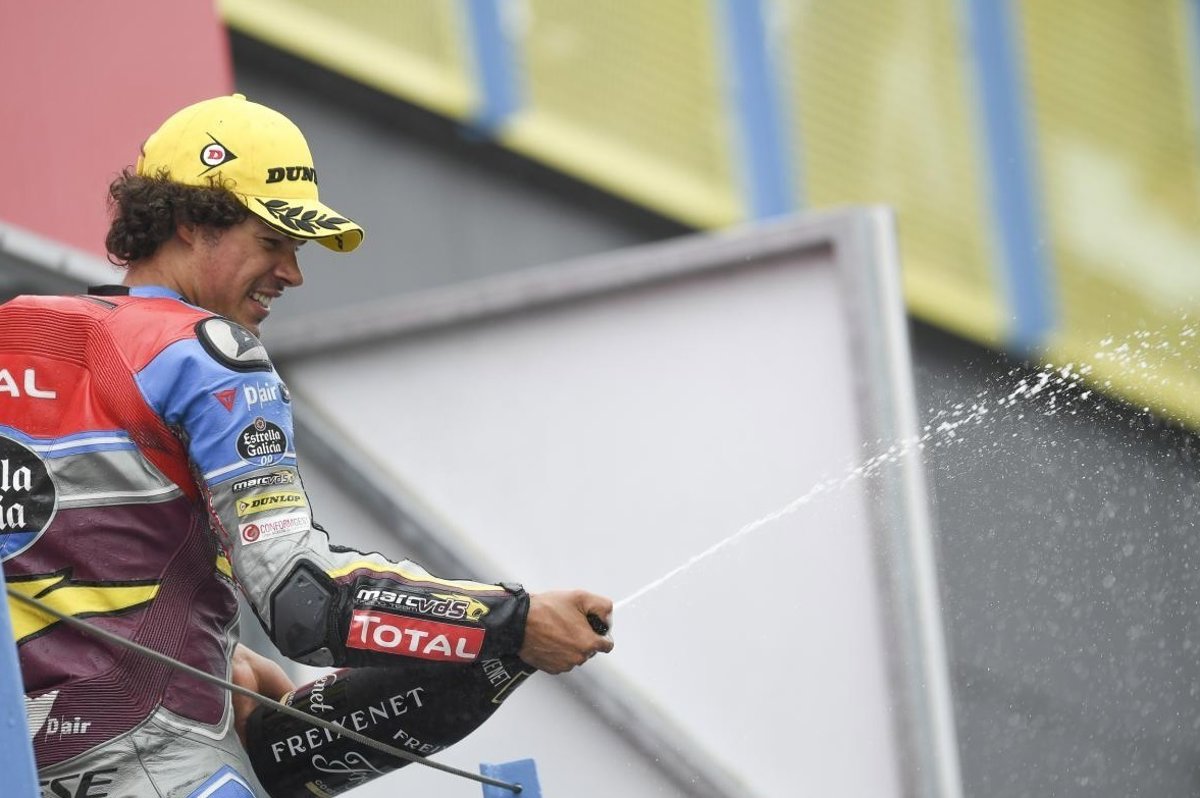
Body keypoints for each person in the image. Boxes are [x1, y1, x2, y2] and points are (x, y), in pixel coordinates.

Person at [0, 93, 613, 798]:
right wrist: (510, 620)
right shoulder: (207, 354)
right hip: (160, 771)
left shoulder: (16, 332)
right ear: (191, 223)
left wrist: (212, 658)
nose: (293, 273)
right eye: (273, 241)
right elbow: (302, 600)